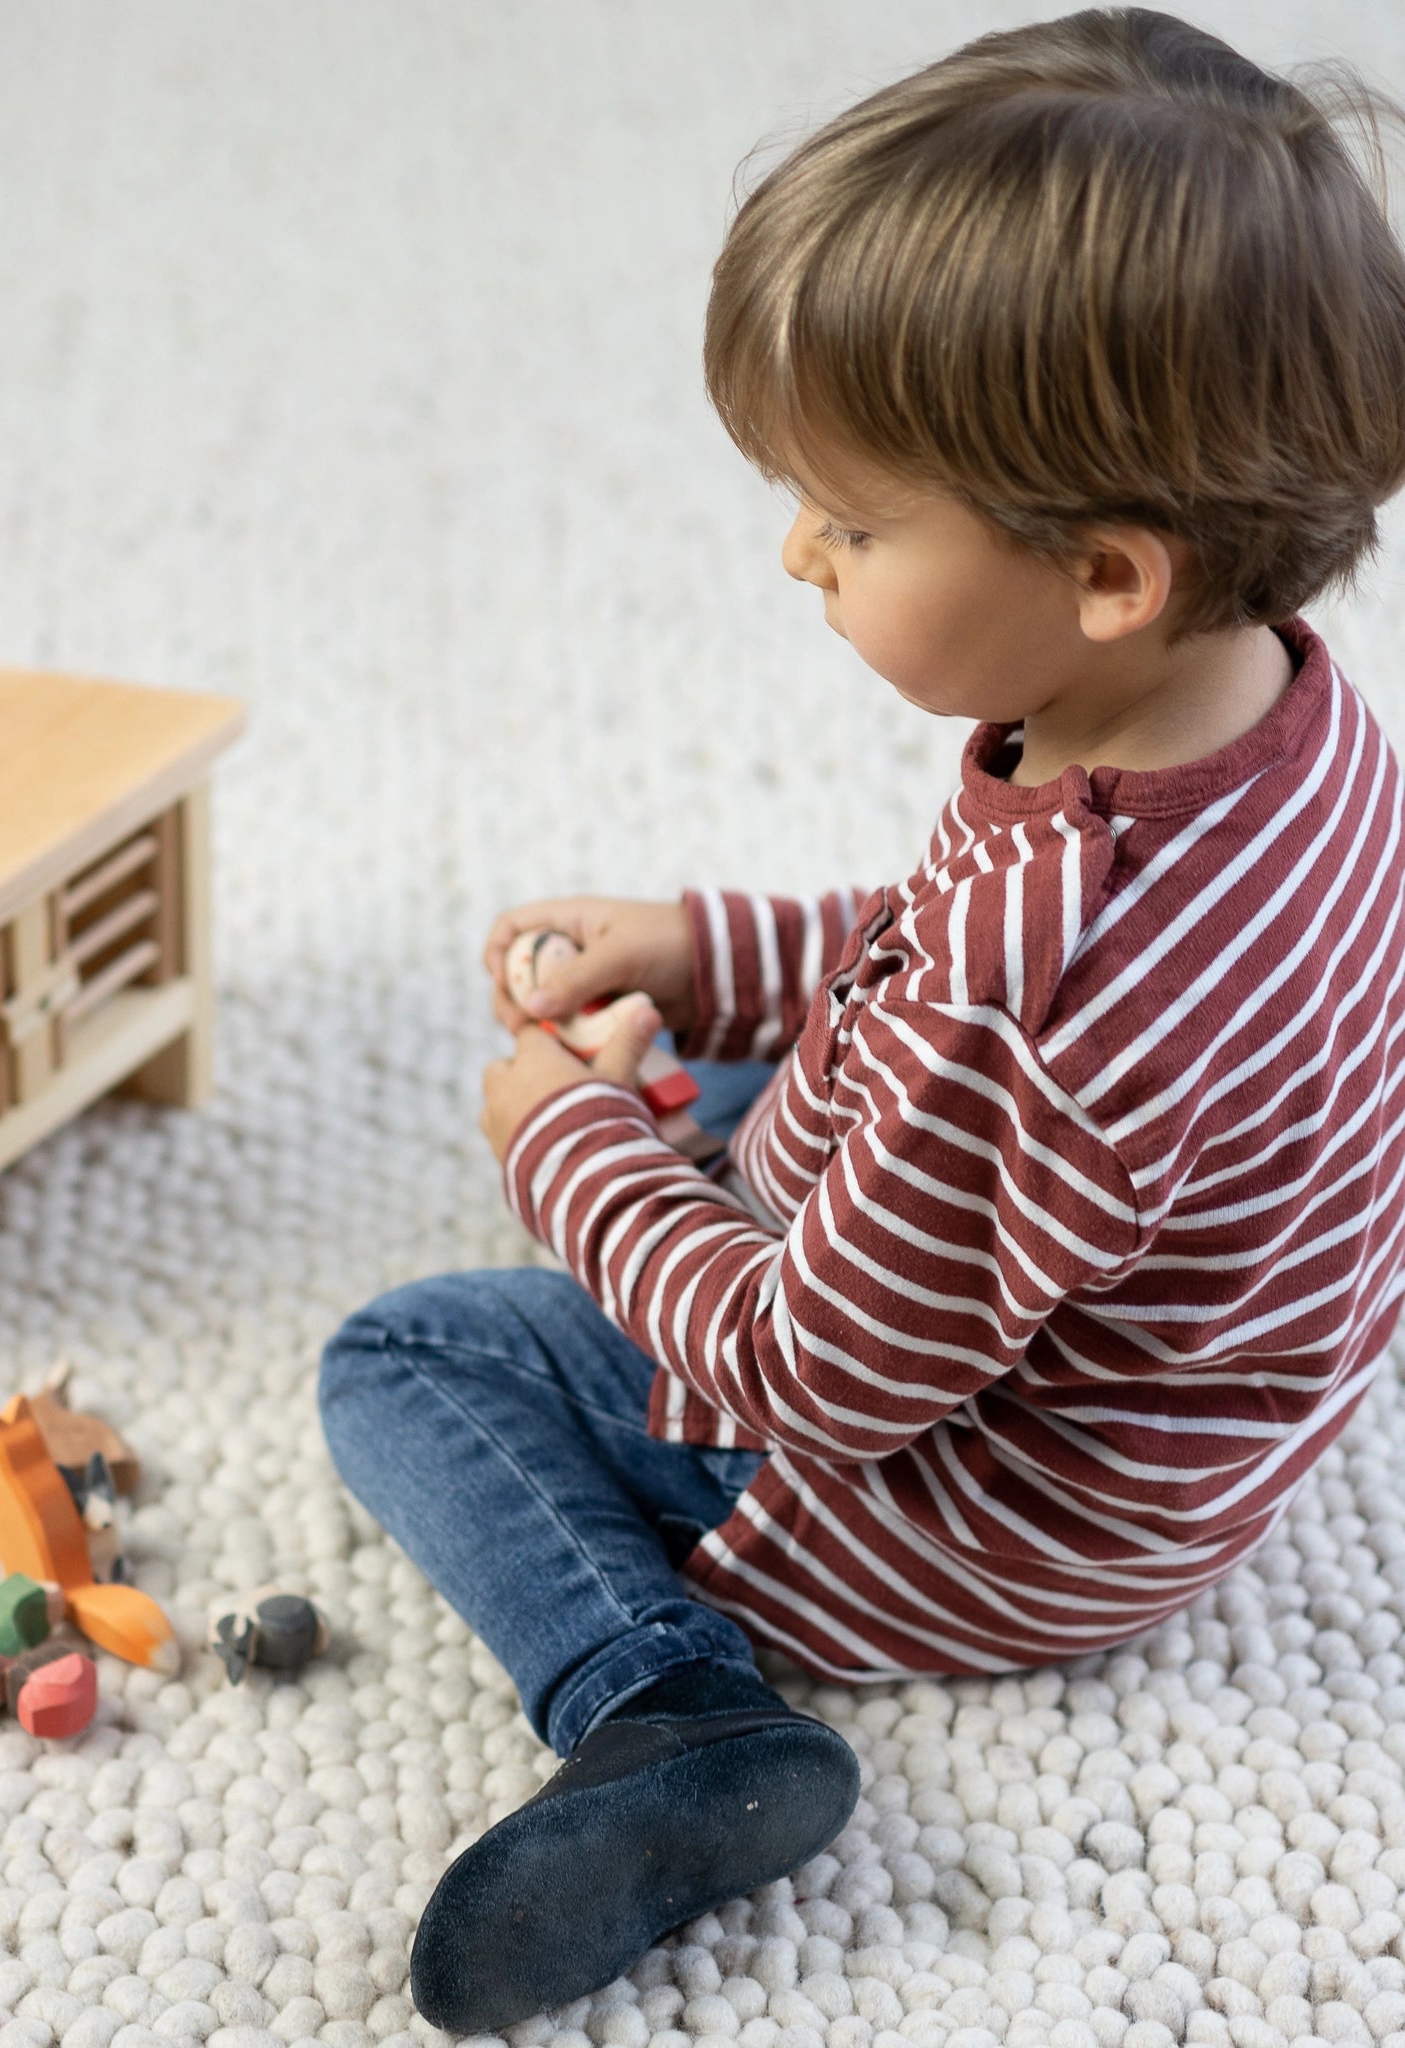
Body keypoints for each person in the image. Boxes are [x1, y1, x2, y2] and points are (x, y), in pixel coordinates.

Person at [316, 7, 1405, 2031]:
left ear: (1099, 573)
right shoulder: (1257, 706)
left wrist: (570, 1143)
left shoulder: (1048, 981)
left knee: (416, 1352)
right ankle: (708, 1129)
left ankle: (665, 1712)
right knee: (748, 1093)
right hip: (1167, 1359)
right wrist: (707, 947)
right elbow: (931, 949)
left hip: (978, 1507)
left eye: (851, 515)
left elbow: (815, 1369)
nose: (793, 549)